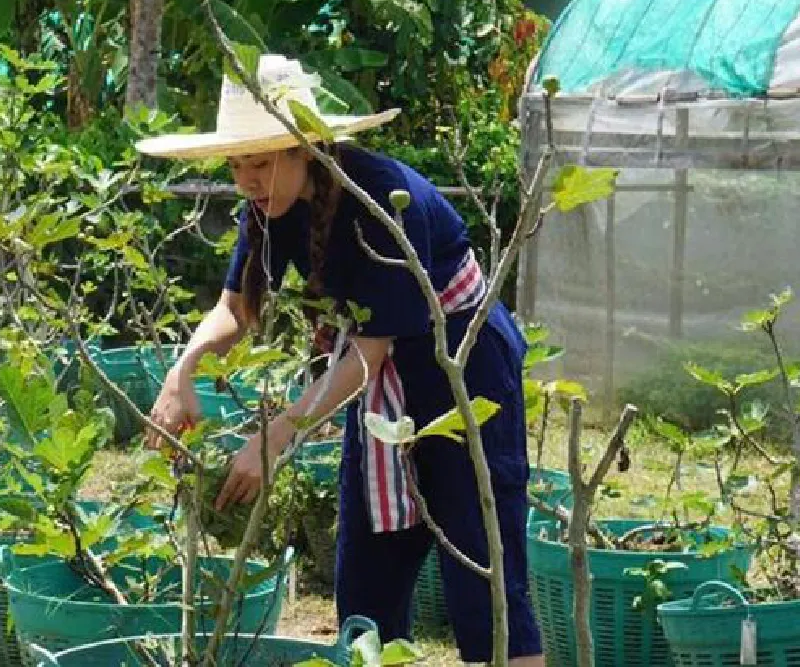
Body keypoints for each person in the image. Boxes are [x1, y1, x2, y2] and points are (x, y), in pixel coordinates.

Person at [136, 55, 544, 666]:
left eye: (263, 161)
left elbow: (370, 355)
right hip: (380, 391)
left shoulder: (378, 199)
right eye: (237, 164)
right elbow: (235, 308)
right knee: (366, 584)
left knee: (485, 579)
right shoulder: (265, 211)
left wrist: (277, 436)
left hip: (463, 371)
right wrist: (183, 370)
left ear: (309, 147)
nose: (247, 180)